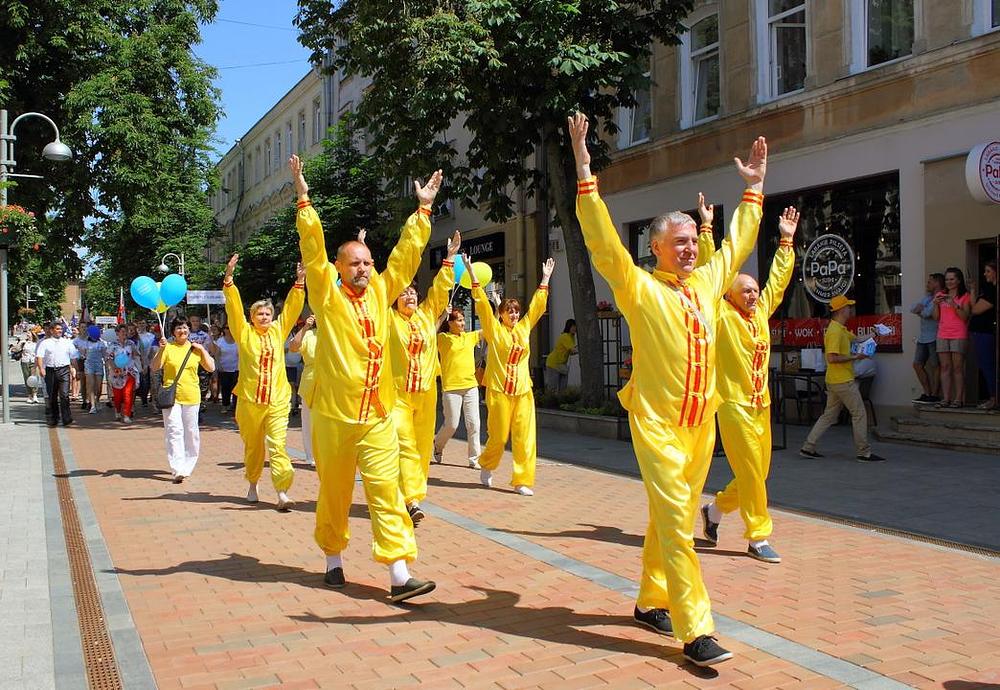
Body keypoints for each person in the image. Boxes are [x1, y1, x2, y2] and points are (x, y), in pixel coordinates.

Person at [569, 112, 766, 666]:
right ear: (655, 247)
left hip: (702, 423)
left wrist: (752, 191)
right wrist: (586, 172)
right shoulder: (637, 286)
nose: (687, 249)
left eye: (690, 241)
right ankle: (695, 628)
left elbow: (734, 246)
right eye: (677, 242)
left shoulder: (707, 281)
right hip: (655, 422)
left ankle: (650, 598)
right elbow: (603, 244)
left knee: (667, 517)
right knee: (679, 516)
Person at [291, 152, 440, 602]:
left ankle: (399, 574)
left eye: (367, 262)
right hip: (336, 419)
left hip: (377, 417)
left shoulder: (380, 289)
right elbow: (313, 252)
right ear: (339, 269)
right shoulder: (326, 296)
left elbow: (404, 259)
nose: (364, 268)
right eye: (355, 263)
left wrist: (423, 211)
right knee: (334, 494)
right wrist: (303, 199)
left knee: (386, 491)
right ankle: (333, 558)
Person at [700, 206, 799, 565]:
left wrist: (786, 241)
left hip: (761, 404)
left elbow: (779, 282)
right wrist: (707, 231)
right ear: (729, 295)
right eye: (745, 290)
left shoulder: (760, 313)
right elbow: (710, 274)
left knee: (757, 473)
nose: (754, 295)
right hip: (732, 405)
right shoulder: (721, 314)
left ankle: (714, 511)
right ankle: (758, 536)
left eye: (755, 290)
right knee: (753, 473)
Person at [223, 254, 305, 511]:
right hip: (249, 401)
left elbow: (292, 308)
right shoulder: (243, 332)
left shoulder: (279, 329)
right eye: (259, 313)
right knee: (253, 445)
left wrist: (299, 281)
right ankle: (253, 482)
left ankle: (282, 492)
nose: (265, 317)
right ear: (252, 316)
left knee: (278, 444)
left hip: (278, 400)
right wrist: (228, 280)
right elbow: (234, 309)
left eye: (268, 313)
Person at [389, 231, 460, 524]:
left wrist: (450, 258)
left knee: (419, 447)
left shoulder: (426, 315)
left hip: (426, 392)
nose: (409, 296)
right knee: (403, 444)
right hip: (397, 394)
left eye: (412, 292)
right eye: (403, 292)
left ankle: (411, 496)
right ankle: (408, 498)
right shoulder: (389, 319)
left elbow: (441, 290)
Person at [469, 254, 554, 496]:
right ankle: (487, 464)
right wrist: (473, 276)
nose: (515, 315)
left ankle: (522, 481)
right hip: (498, 390)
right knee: (498, 435)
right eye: (510, 311)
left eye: (516, 311)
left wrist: (545, 279)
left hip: (523, 391)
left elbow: (537, 308)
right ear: (502, 313)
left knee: (525, 436)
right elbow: (483, 308)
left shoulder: (524, 327)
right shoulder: (494, 330)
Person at [799, 294, 886, 461]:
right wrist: (855, 357)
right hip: (842, 380)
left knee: (829, 416)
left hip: (835, 381)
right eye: (848, 307)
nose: (850, 309)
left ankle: (808, 447)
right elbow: (831, 358)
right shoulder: (835, 332)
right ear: (841, 310)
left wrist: (874, 333)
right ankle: (864, 452)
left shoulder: (840, 329)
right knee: (859, 413)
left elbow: (859, 339)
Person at [151, 316, 215, 482]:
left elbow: (211, 367)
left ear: (189, 330)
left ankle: (189, 463)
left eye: (185, 327)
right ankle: (177, 467)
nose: (182, 331)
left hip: (191, 395)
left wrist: (202, 350)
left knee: (191, 431)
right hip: (171, 396)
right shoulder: (168, 347)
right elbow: (155, 367)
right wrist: (160, 350)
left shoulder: (195, 348)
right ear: (173, 331)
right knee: (174, 430)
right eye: (178, 328)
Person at [433, 309, 484, 470]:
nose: (462, 323)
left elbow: (490, 327)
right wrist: (442, 315)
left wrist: (496, 310)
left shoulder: (469, 337)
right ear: (450, 323)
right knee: (451, 424)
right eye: (459, 320)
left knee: (474, 424)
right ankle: (438, 445)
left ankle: (474, 459)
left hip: (470, 386)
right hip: (451, 388)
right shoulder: (443, 338)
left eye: (463, 320)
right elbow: (430, 332)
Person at [933, 267, 972, 408]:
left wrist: (954, 304)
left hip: (958, 334)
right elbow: (936, 317)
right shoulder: (941, 294)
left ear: (958, 280)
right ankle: (946, 398)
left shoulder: (965, 296)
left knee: (957, 367)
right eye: (947, 279)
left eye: (952, 279)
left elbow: (965, 317)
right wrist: (935, 304)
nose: (949, 282)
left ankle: (958, 399)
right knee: (945, 367)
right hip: (942, 333)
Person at [35, 321, 78, 427]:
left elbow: (73, 357)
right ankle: (54, 418)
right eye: (57, 329)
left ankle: (66, 418)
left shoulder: (67, 342)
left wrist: (74, 369)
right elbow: (39, 356)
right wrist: (41, 369)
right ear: (51, 330)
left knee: (64, 395)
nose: (60, 331)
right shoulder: (45, 343)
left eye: (60, 329)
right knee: (52, 395)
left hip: (64, 370)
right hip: (50, 370)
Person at [910, 273, 945, 403]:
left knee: (936, 366)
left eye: (930, 282)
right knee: (917, 364)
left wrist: (922, 310)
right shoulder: (928, 298)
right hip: (923, 337)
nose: (927, 284)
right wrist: (922, 310)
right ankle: (927, 392)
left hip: (935, 336)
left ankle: (934, 395)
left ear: (937, 283)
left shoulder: (940, 296)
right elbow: (913, 308)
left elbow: (927, 313)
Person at [288, 315, 317, 465]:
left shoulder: (337, 332)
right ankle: (311, 455)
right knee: (309, 421)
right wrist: (305, 327)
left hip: (334, 382)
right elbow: (293, 347)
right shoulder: (309, 335)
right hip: (311, 381)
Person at [969, 260, 997, 410]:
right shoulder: (987, 289)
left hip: (985, 333)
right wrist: (973, 289)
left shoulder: (993, 291)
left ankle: (993, 398)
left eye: (988, 271)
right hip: (979, 332)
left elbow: (975, 310)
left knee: (987, 365)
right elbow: (974, 306)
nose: (985, 274)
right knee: (984, 365)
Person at [106, 324, 141, 423]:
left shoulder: (131, 343)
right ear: (117, 333)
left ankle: (126, 415)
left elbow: (136, 354)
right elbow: (108, 358)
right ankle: (117, 411)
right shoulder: (113, 345)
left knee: (128, 393)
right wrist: (115, 368)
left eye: (126, 331)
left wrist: (135, 353)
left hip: (129, 371)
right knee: (118, 396)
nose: (125, 333)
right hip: (117, 372)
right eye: (122, 332)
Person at [187, 315, 214, 411]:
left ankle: (201, 402)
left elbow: (209, 349)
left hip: (201, 362)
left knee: (203, 384)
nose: (195, 323)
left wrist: (211, 339)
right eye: (193, 321)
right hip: (189, 362)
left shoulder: (205, 335)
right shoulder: (186, 334)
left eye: (197, 321)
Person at [544, 319, 577, 392]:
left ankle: (560, 401)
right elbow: (573, 350)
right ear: (569, 327)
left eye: (575, 326)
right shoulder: (565, 336)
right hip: (553, 364)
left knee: (563, 388)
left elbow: (571, 351)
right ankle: (550, 402)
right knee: (553, 387)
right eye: (573, 326)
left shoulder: (572, 337)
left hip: (562, 364)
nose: (574, 328)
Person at [213, 323, 240, 414]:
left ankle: (235, 406)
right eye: (227, 328)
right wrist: (218, 366)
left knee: (236, 388)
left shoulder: (238, 340)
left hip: (236, 368)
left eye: (231, 327)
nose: (229, 330)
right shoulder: (220, 341)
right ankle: (225, 405)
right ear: (224, 330)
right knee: (225, 388)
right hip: (224, 368)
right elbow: (217, 354)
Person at [81, 325, 107, 414]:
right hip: (89, 365)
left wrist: (108, 366)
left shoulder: (102, 343)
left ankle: (97, 400)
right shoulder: (86, 343)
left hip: (99, 365)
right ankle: (92, 405)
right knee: (90, 385)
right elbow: (83, 354)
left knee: (99, 387)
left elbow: (105, 356)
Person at [16, 331, 41, 403]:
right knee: (27, 378)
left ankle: (35, 395)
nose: (27, 334)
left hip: (34, 362)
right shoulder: (24, 343)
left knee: (34, 378)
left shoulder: (37, 343)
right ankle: (29, 395)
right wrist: (20, 342)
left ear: (33, 334)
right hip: (25, 361)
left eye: (29, 333)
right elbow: (17, 349)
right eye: (27, 333)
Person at [284, 327, 303, 416]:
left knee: (292, 387)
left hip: (293, 366)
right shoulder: (282, 336)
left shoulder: (294, 337)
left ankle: (293, 407)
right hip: (283, 365)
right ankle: (286, 406)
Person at [71, 326, 90, 408]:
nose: (84, 329)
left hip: (90, 361)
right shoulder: (76, 341)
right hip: (81, 361)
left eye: (85, 327)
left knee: (90, 382)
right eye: (82, 327)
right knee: (83, 382)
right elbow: (73, 352)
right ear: (79, 329)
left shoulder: (90, 339)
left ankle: (90, 400)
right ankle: (84, 400)